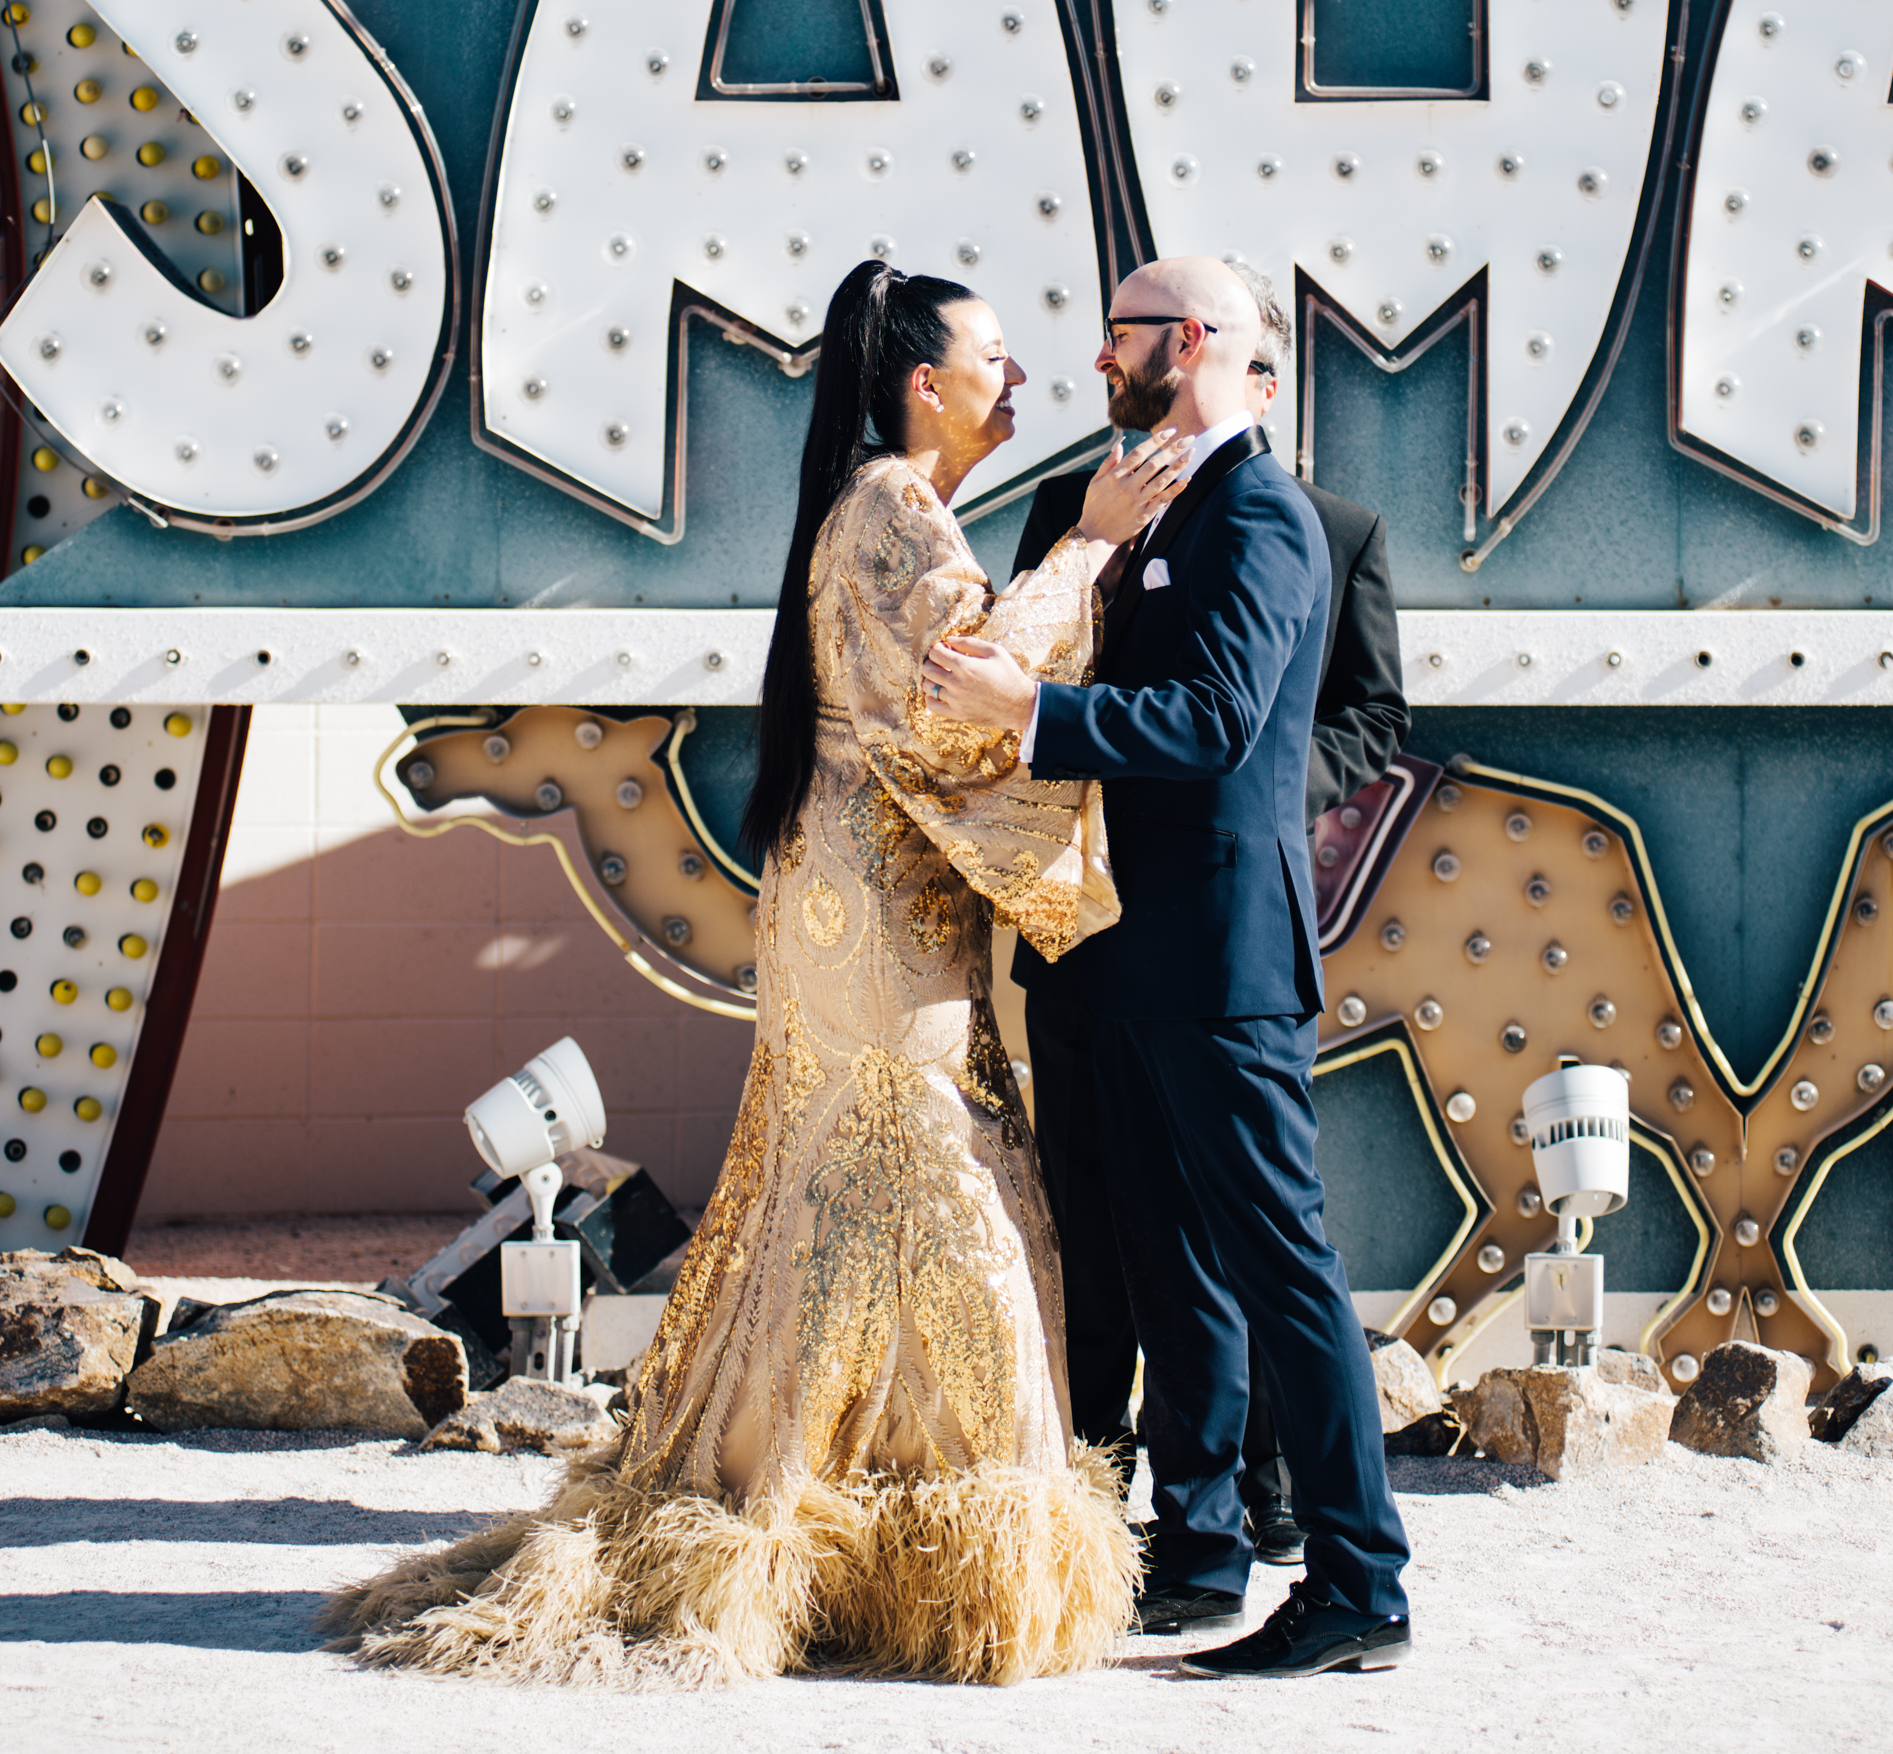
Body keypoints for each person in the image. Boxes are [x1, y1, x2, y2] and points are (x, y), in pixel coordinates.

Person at [325, 260, 1190, 1688]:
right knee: (937, 1180)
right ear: (923, 381)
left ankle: (829, 1510)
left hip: (866, 897)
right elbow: (952, 695)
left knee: (861, 1181)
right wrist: (1089, 550)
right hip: (875, 910)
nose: (1017, 374)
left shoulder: (880, 505)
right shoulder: (892, 507)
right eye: (993, 353)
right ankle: (879, 1519)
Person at [927, 256, 1412, 1681]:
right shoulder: (1145, 505)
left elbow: (1209, 723)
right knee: (1157, 1263)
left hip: (1215, 960)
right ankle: (1192, 1562)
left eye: (1123, 333)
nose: (1095, 358)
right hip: (1103, 951)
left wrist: (1035, 712)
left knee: (1281, 1271)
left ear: (1187, 344)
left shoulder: (1261, 517)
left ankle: (1357, 1587)